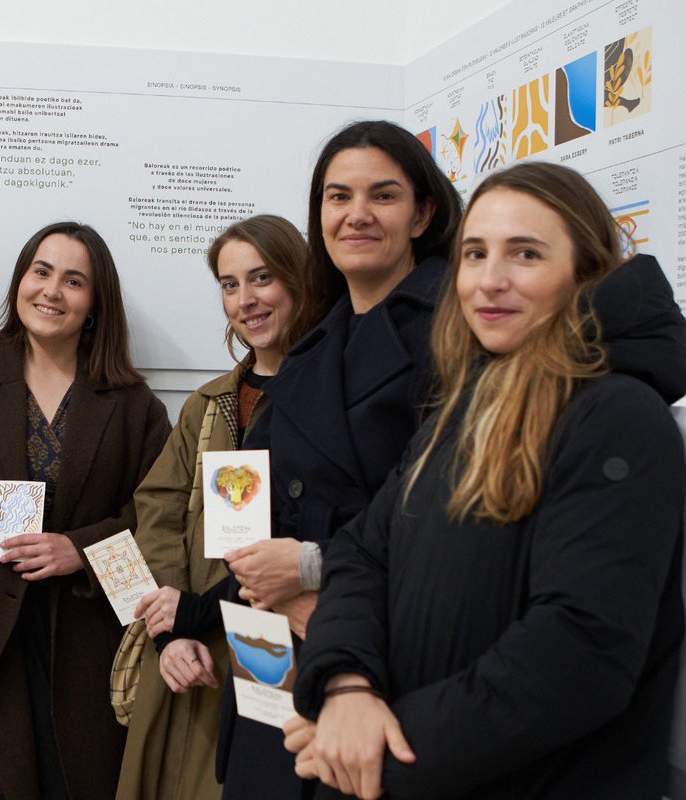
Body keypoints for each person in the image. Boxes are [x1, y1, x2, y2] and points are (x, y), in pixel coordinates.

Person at [286, 162, 686, 800]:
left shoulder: (619, 417)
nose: (490, 281)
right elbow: (364, 553)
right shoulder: (465, 405)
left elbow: (580, 654)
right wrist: (346, 688)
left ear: (584, 272)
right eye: (474, 254)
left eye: (525, 253)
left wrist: (383, 751)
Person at [208, 120, 463, 799]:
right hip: (273, 645)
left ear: (423, 213)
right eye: (337, 196)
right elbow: (244, 499)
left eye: (382, 196)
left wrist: (312, 567)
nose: (356, 214)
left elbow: (446, 513)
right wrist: (265, 576)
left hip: (380, 651)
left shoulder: (457, 331)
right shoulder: (316, 344)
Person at [0, 221, 171, 800]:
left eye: (74, 281)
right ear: (20, 280)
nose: (52, 291)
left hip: (96, 638)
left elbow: (160, 521)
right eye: (41, 272)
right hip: (2, 638)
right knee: (11, 783)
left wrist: (81, 548)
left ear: (96, 304)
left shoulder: (131, 404)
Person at [116, 214, 332, 800]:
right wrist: (173, 629)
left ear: (300, 279)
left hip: (278, 642)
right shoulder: (207, 405)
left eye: (262, 278)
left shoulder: (328, 402)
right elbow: (157, 511)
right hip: (190, 653)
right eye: (230, 285)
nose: (245, 300)